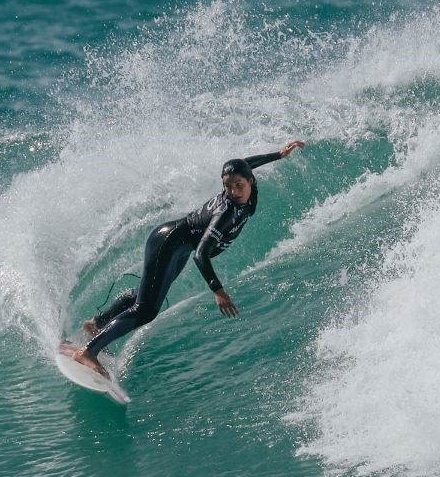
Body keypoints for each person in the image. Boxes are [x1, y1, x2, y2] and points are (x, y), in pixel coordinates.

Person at [65, 140, 306, 375]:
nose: (233, 191)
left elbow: (246, 163)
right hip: (168, 243)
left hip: (178, 245)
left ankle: (96, 325)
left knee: (145, 294)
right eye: (228, 186)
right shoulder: (226, 212)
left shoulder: (246, 186)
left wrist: (278, 155)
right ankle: (88, 352)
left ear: (250, 181)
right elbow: (201, 255)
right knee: (146, 310)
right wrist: (218, 291)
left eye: (238, 185)